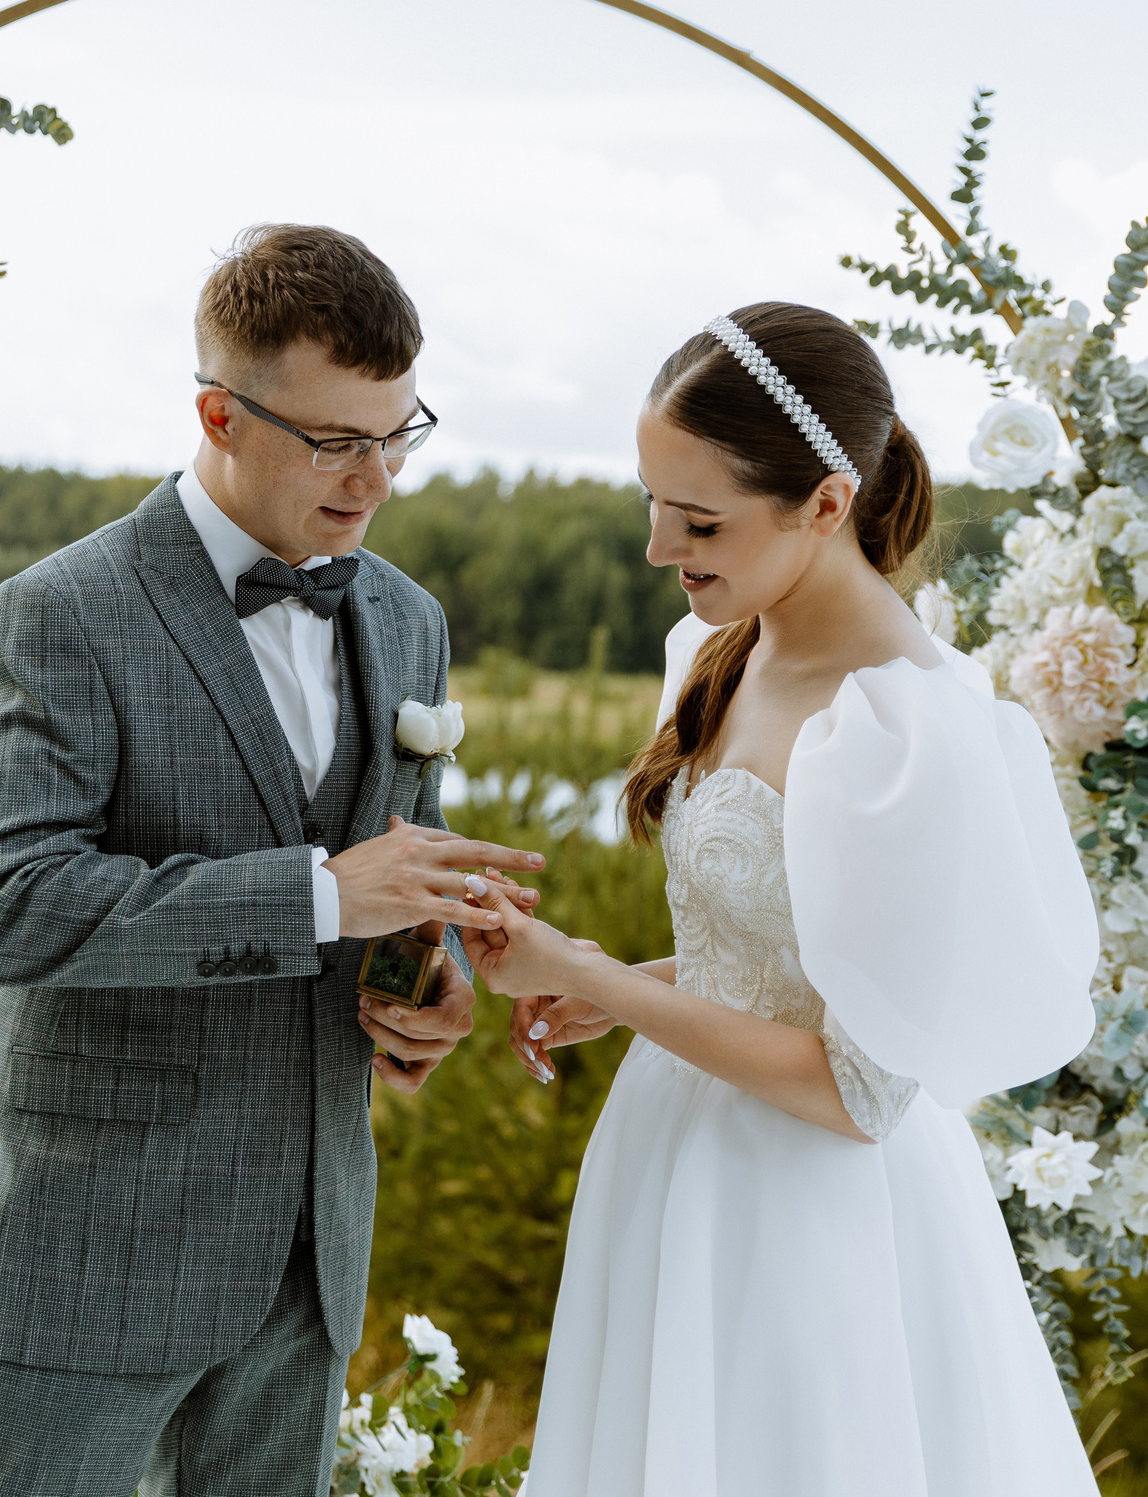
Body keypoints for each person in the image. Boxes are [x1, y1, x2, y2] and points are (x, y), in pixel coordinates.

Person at [0, 223, 547, 1497]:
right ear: (217, 412)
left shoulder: (405, 617)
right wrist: (319, 895)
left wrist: (422, 981)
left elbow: (385, 883)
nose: (373, 482)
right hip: (85, 1255)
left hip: (308, 1262)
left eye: (397, 435)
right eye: (333, 443)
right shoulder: (62, 613)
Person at [472, 304, 1103, 1495]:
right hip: (675, 1166)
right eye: (651, 506)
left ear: (826, 501)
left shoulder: (909, 727)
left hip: (808, 1221)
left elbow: (859, 1086)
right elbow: (797, 960)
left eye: (699, 520)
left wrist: (595, 976)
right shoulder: (723, 648)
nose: (661, 548)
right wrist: (630, 990)